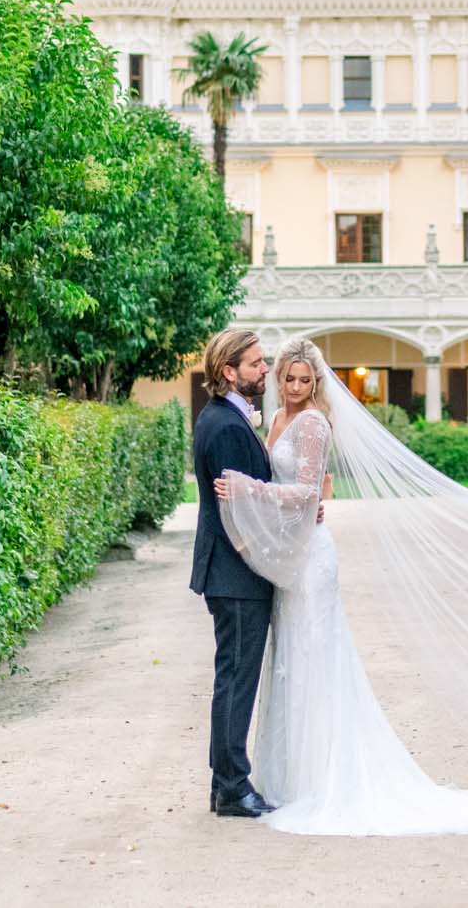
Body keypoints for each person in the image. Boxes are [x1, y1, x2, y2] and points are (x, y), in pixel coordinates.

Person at [213, 336, 468, 836]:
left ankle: (327, 778)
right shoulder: (274, 420)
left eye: (305, 379)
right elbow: (303, 492)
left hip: (313, 561)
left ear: (316, 382)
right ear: (279, 379)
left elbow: (306, 487)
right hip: (290, 559)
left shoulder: (315, 422)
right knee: (289, 663)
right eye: (288, 377)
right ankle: (290, 777)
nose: (296, 386)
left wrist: (249, 489)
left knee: (318, 658)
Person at [189, 328, 279, 818]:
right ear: (230, 371)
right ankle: (232, 785)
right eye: (256, 363)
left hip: (233, 573)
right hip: (236, 574)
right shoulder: (224, 426)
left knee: (234, 675)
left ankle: (225, 782)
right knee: (236, 679)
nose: (265, 369)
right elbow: (239, 515)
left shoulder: (228, 418)